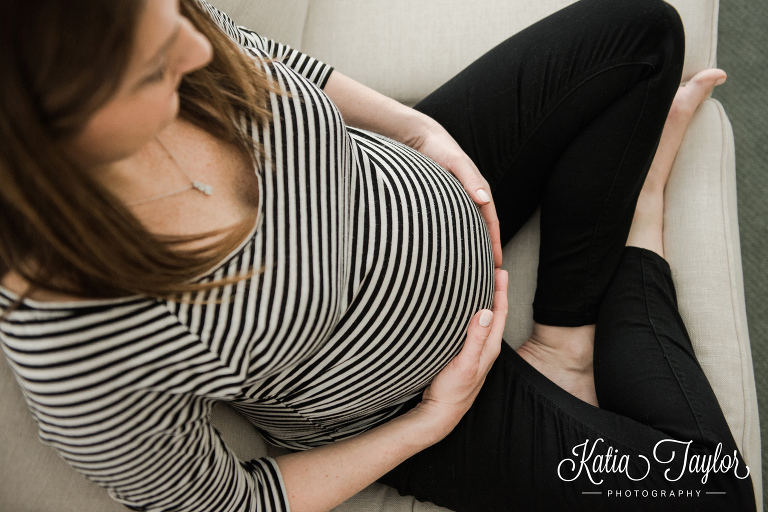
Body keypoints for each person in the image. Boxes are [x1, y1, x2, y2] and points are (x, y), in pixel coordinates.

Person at [0, 0, 756, 511]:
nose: (198, 47)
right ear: (54, 135)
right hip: (420, 398)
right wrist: (429, 424)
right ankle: (639, 227)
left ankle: (565, 339)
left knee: (642, 31)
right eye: (153, 66)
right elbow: (231, 502)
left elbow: (256, 52)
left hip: (438, 184)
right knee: (712, 492)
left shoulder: (132, 23)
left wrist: (421, 134)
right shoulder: (74, 345)